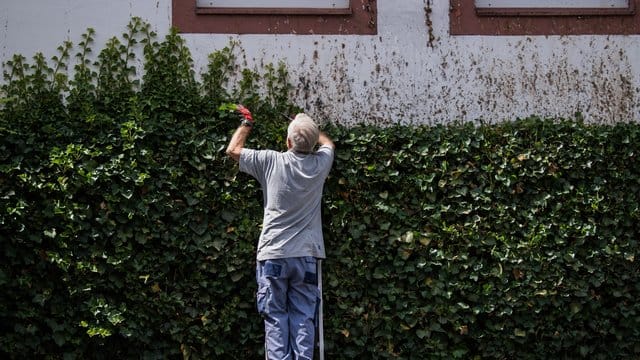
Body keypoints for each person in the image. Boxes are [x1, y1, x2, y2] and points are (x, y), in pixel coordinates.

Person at [226, 105, 335, 360]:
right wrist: (308, 124)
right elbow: (327, 143)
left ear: (287, 141)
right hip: (306, 256)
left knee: (275, 317)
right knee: (303, 316)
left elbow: (233, 150)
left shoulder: (271, 161)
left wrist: (247, 122)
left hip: (273, 254)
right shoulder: (321, 164)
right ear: (313, 144)